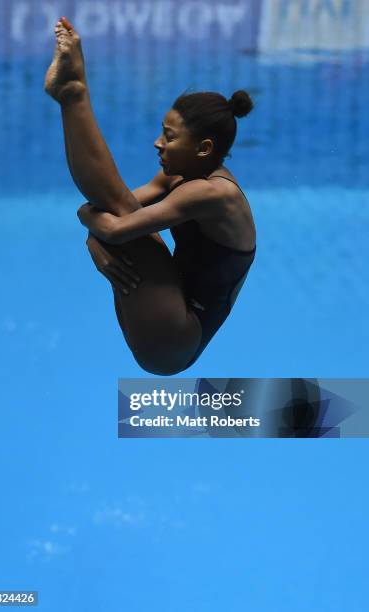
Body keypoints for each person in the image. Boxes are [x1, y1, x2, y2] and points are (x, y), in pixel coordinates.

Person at [45, 17, 256, 376]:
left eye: (170, 137)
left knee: (117, 214)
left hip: (176, 338)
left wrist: (89, 222)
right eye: (162, 131)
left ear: (203, 148)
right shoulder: (180, 175)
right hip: (166, 307)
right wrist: (95, 231)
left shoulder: (210, 194)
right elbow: (118, 209)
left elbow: (114, 229)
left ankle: (74, 94)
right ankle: (72, 93)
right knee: (117, 207)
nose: (158, 143)